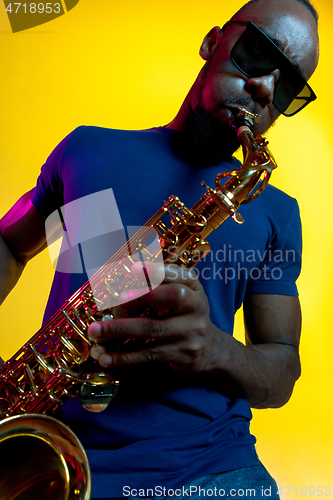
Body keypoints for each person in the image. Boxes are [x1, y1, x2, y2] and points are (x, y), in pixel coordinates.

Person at [0, 0, 319, 498]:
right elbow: (10, 242)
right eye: (257, 54)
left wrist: (217, 350)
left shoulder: (278, 211)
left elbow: (281, 371)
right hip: (49, 450)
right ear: (212, 43)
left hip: (213, 470)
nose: (265, 88)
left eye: (290, 87)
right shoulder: (86, 148)